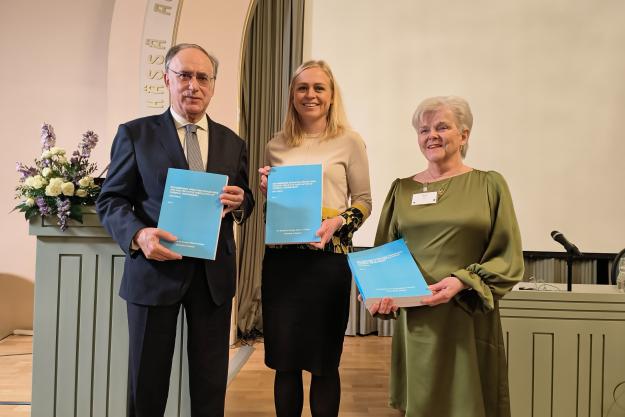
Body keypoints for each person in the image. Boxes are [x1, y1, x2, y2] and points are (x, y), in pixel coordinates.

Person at [96, 43, 254, 417]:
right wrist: (139, 235)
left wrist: (240, 201)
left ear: (213, 86)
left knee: (210, 386)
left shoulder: (233, 142)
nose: (193, 85)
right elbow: (111, 199)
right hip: (154, 272)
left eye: (203, 77)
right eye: (184, 75)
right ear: (167, 79)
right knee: (147, 385)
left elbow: (246, 199)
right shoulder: (136, 134)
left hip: (212, 278)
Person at [371, 96, 524, 417]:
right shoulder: (402, 189)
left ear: (464, 135)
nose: (432, 135)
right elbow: (384, 254)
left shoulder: (489, 185)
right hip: (418, 319)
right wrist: (378, 292)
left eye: (442, 126)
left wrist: (461, 281)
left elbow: (508, 256)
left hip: (466, 314)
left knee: (468, 404)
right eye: (424, 129)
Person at [258, 60, 372, 417]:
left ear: (331, 94)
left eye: (318, 88)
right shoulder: (275, 144)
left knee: (324, 362)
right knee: (285, 362)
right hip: (282, 265)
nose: (310, 95)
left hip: (327, 265)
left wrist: (338, 222)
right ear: (292, 95)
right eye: (302, 87)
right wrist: (267, 193)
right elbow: (272, 212)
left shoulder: (350, 141)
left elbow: (365, 203)